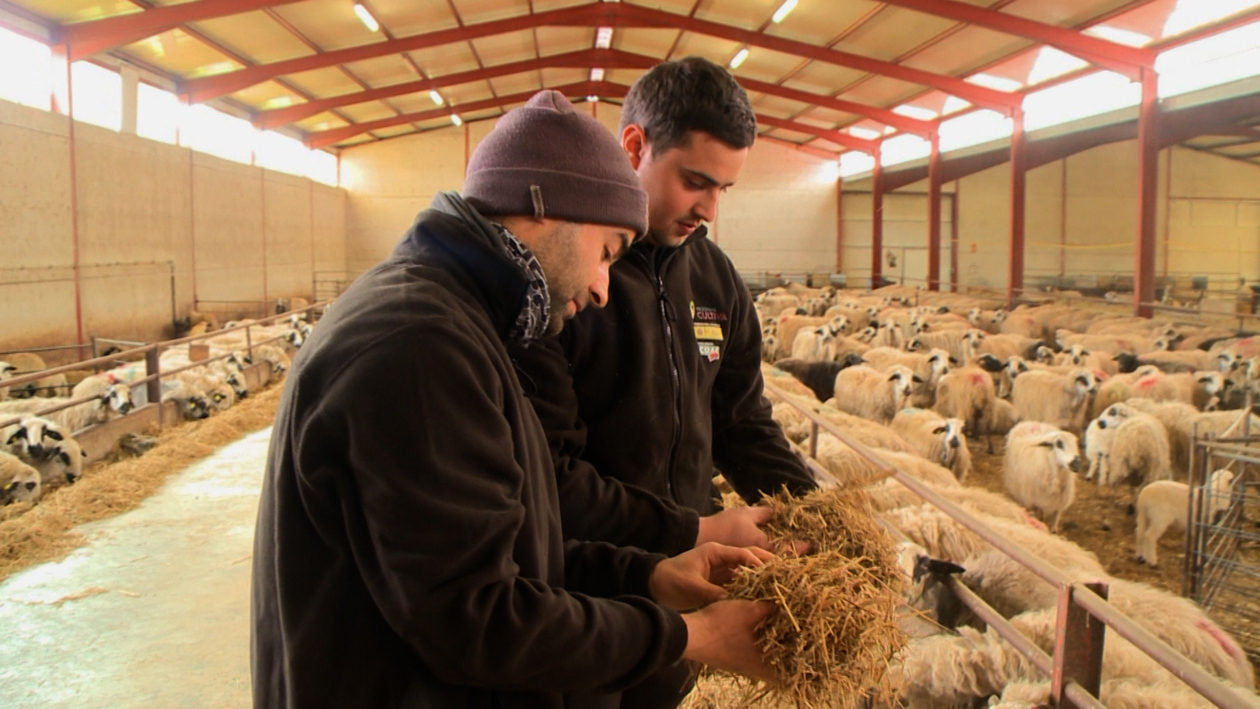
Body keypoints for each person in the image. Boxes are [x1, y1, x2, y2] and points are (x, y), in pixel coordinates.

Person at [251, 90, 774, 708]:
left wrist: (649, 575)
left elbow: (512, 548)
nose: (605, 287)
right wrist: (693, 635)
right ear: (548, 207)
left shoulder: (466, 326)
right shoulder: (419, 345)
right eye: (606, 252)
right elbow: (478, 619)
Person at [511, 57, 817, 559]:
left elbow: (741, 423)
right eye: (696, 182)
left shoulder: (717, 280)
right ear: (635, 147)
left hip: (699, 553)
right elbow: (548, 470)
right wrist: (688, 533)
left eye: (723, 189)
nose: (710, 211)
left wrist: (819, 515)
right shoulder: (569, 279)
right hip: (593, 572)